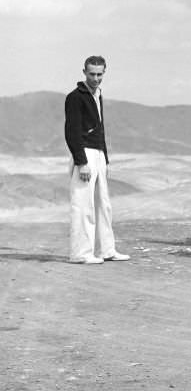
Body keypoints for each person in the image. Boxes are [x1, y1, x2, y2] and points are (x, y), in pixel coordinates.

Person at [64, 55, 130, 264]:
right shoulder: (75, 97)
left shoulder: (98, 94)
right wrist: (81, 161)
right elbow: (72, 131)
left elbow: (100, 130)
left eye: (99, 74)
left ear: (105, 72)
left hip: (98, 153)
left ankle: (106, 250)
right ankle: (80, 253)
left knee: (103, 204)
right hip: (84, 153)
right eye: (91, 74)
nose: (95, 78)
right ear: (84, 72)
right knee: (83, 204)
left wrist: (105, 159)